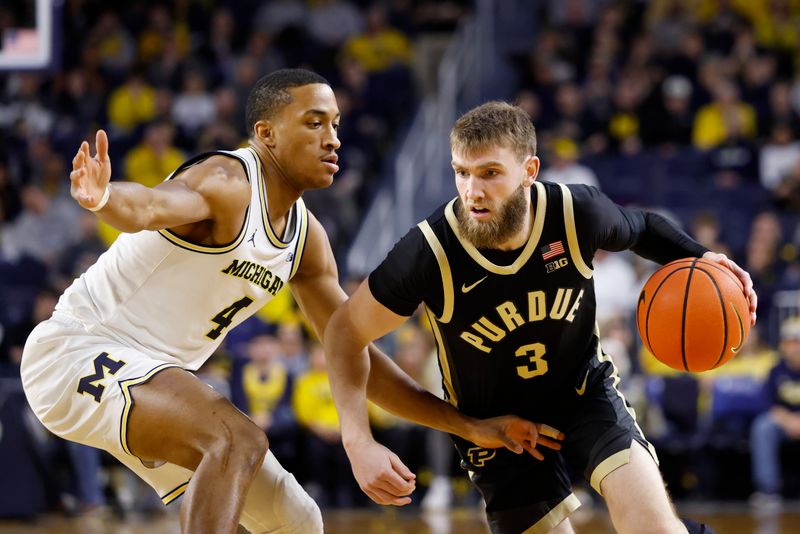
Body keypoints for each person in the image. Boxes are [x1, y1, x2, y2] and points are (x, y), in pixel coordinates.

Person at [20, 70, 555, 534]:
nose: (333, 138)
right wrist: (105, 197)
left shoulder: (306, 240)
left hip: (152, 380)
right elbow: (153, 204)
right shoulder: (229, 181)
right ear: (266, 134)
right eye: (315, 122)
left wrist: (468, 426)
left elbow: (352, 352)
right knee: (237, 439)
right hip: (76, 353)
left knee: (298, 521)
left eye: (337, 124)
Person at [324, 101, 758, 533]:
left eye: (490, 173)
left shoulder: (575, 213)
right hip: (498, 431)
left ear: (529, 170)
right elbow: (343, 335)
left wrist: (707, 259)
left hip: (583, 393)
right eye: (462, 172)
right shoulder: (428, 253)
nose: (473, 190)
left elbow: (642, 228)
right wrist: (361, 439)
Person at [749, 317, 800, 512]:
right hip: (783, 423)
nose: (795, 346)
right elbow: (768, 405)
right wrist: (790, 421)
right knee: (763, 427)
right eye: (791, 341)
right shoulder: (775, 371)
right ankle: (768, 490)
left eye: (798, 340)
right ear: (783, 345)